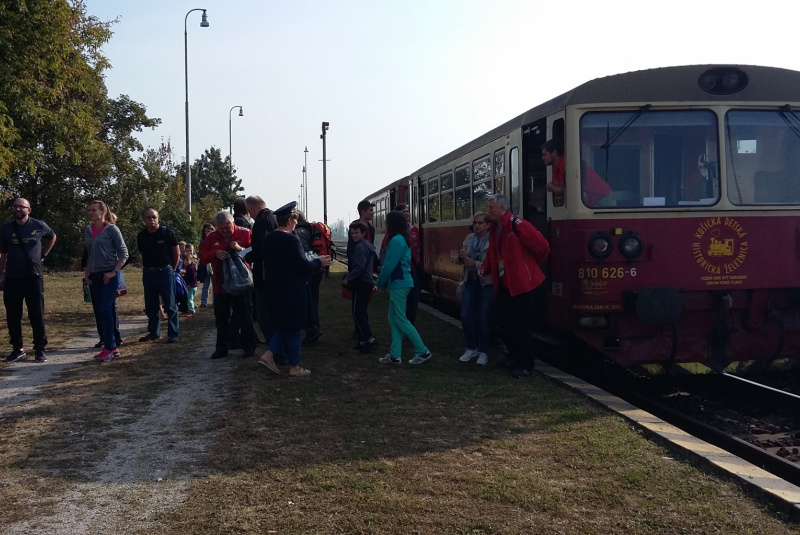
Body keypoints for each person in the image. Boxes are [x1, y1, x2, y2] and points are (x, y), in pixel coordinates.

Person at [478, 194, 549, 378]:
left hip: (524, 285)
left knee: (521, 325)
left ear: (502, 209)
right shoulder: (496, 228)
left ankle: (526, 365)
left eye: (491, 207)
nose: (489, 210)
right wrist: (485, 268)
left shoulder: (518, 225)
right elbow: (493, 254)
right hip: (506, 284)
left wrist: (529, 268)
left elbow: (542, 247)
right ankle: (513, 357)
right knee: (505, 322)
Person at [257, 202, 332, 378]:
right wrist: (319, 262)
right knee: (296, 327)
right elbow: (303, 266)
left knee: (285, 326)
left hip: (276, 289)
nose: (296, 223)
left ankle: (271, 356)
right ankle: (293, 367)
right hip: (293, 290)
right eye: (295, 220)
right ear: (290, 219)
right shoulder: (291, 239)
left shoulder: (269, 238)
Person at [0, 198, 57, 363]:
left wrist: (43, 255)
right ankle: (17, 348)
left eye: (21, 206)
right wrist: (1, 274)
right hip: (12, 277)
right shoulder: (6, 228)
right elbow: (3, 253)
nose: (18, 208)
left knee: (36, 314)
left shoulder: (38, 225)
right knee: (13, 315)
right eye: (15, 206)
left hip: (33, 277)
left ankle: (40, 349)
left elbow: (52, 237)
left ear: (29, 210)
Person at [199, 210, 258, 359]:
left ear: (233, 223)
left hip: (242, 284)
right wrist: (214, 253)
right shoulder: (211, 237)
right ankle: (222, 348)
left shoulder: (245, 233)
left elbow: (255, 253)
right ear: (216, 227)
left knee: (245, 316)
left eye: (228, 227)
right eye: (221, 228)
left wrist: (240, 249)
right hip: (221, 286)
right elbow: (202, 256)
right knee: (221, 318)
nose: (225, 231)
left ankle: (249, 346)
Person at [375, 211, 431, 365]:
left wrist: (380, 282)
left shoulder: (395, 241)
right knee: (393, 319)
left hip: (399, 283)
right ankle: (395, 355)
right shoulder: (402, 239)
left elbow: (389, 266)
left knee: (400, 319)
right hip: (400, 282)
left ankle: (422, 351)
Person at [84, 200, 128, 362]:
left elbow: (124, 253)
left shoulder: (111, 229)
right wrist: (87, 272)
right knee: (101, 310)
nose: (91, 213)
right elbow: (90, 253)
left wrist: (113, 272)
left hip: (109, 275)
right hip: (94, 275)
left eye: (94, 210)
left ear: (102, 212)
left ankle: (110, 346)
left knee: (105, 309)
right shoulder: (88, 230)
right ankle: (111, 346)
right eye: (89, 210)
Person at [136, 208, 180, 343]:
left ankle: (173, 333)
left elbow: (176, 251)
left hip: (165, 271)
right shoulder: (142, 235)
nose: (151, 220)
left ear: (158, 218)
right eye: (148, 218)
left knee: (170, 305)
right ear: (144, 220)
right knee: (151, 305)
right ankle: (154, 332)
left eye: (154, 217)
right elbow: (139, 252)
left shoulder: (166, 232)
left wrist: (173, 269)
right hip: (149, 273)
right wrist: (143, 265)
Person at [456, 211, 493, 366]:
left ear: (488, 225)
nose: (476, 226)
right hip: (470, 281)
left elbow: (493, 262)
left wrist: (476, 264)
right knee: (465, 315)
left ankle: (483, 351)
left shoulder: (492, 240)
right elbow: (460, 260)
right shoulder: (469, 238)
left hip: (486, 283)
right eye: (475, 223)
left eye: (480, 223)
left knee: (484, 318)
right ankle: (471, 347)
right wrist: (461, 256)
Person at [245, 195, 278, 348]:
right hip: (273, 272)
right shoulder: (272, 217)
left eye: (249, 211)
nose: (249, 215)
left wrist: (245, 254)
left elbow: (261, 249)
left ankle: (274, 348)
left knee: (264, 316)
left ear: (252, 208)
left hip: (263, 273)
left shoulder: (260, 222)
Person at [379, 203, 421, 324]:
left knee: (413, 303)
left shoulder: (414, 230)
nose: (407, 214)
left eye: (407, 211)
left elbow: (418, 249)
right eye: (403, 212)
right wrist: (383, 269)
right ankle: (404, 333)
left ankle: (409, 329)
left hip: (412, 270)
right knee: (398, 311)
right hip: (400, 273)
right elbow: (384, 252)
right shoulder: (392, 236)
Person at [542, 138, 612, 206]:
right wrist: (553, 187)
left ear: (554, 152)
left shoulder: (565, 163)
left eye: (545, 154)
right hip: (593, 200)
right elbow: (558, 186)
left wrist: (551, 187)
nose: (543, 158)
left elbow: (563, 190)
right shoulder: (556, 167)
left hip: (603, 199)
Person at [344, 220, 378, 352]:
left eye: (356, 232)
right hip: (367, 281)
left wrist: (348, 278)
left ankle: (369, 339)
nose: (354, 235)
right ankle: (364, 340)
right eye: (352, 233)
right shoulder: (367, 245)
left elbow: (360, 267)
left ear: (363, 233)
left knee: (358, 312)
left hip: (361, 282)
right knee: (361, 311)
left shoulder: (359, 247)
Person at [294, 211, 323, 345]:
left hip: (310, 270)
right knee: (314, 301)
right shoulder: (310, 230)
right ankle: (315, 330)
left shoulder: (299, 233)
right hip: (317, 269)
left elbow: (304, 253)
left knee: (306, 302)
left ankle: (312, 331)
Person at [346, 199, 375, 266]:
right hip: (358, 263)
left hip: (368, 264)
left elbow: (371, 247)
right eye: (370, 210)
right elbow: (351, 248)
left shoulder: (371, 228)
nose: (373, 213)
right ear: (363, 212)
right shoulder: (354, 226)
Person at [198, 223, 214, 307]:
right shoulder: (202, 241)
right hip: (206, 265)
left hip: (214, 264)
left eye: (210, 231)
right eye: (206, 231)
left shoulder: (215, 239)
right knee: (206, 285)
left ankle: (215, 301)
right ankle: (204, 302)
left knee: (215, 284)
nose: (208, 233)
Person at [182, 244, 198, 317]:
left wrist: (190, 285)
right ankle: (191, 308)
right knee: (190, 297)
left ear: (191, 260)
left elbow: (193, 278)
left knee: (190, 298)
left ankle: (191, 311)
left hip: (192, 286)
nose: (185, 262)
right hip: (191, 285)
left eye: (187, 260)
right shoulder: (188, 268)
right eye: (184, 260)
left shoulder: (191, 268)